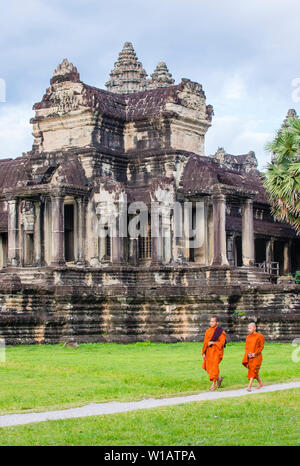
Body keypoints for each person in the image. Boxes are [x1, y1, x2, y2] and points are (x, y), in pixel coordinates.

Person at [202, 316, 226, 391]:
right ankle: (218, 379)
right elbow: (205, 343)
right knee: (208, 368)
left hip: (216, 351)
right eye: (210, 321)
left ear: (217, 323)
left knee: (214, 367)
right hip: (208, 352)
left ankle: (213, 385)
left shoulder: (220, 331)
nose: (211, 323)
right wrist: (203, 353)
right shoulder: (207, 331)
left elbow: (222, 343)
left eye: (213, 321)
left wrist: (213, 342)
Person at [242, 322, 264, 391]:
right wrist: (248, 354)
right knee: (253, 371)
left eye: (250, 328)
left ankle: (249, 387)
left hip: (257, 356)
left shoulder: (260, 336)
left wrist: (255, 353)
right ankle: (261, 383)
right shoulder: (248, 337)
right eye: (248, 328)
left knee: (253, 370)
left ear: (255, 328)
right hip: (250, 356)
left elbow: (261, 346)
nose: (249, 330)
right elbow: (246, 347)